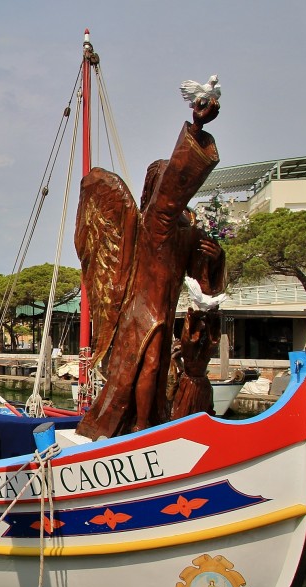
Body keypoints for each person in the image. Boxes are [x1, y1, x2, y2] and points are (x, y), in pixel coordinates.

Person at [75, 97, 225, 439]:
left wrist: (215, 257)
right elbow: (175, 185)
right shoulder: (154, 224)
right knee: (149, 366)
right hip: (142, 313)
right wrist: (198, 129)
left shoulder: (184, 234)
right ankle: (142, 428)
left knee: (156, 374)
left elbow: (205, 282)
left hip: (162, 309)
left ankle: (149, 423)